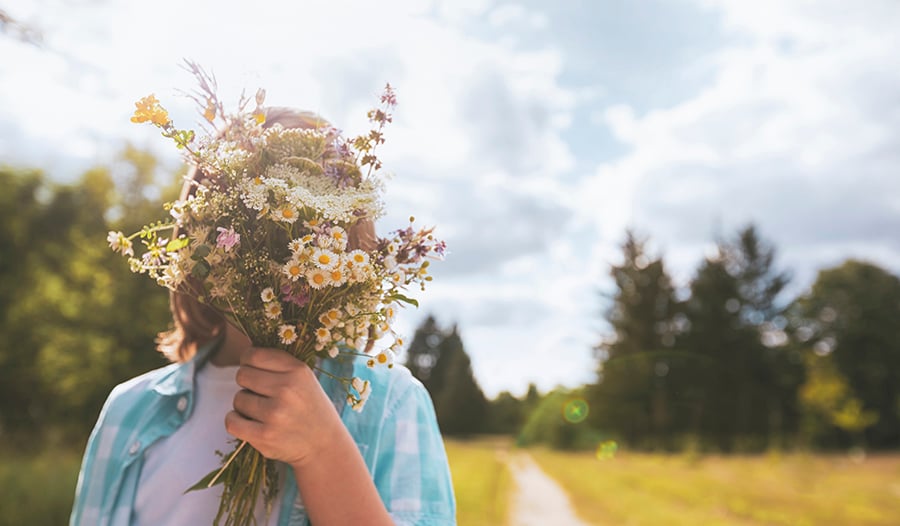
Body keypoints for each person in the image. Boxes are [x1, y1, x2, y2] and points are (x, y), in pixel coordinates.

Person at [70, 109, 457, 526]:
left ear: (347, 244)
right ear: (198, 239)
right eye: (246, 220)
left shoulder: (386, 402)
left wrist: (322, 449)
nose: (281, 246)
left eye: (308, 225)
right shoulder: (129, 412)